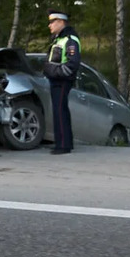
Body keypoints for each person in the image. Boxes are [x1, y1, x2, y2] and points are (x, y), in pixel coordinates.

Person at [42, 9, 81, 155]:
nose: (49, 25)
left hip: (62, 81)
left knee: (60, 111)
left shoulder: (70, 40)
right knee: (59, 111)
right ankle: (63, 143)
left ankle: (63, 145)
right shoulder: (58, 39)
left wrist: (53, 72)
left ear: (61, 22)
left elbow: (72, 64)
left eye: (52, 22)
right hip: (56, 81)